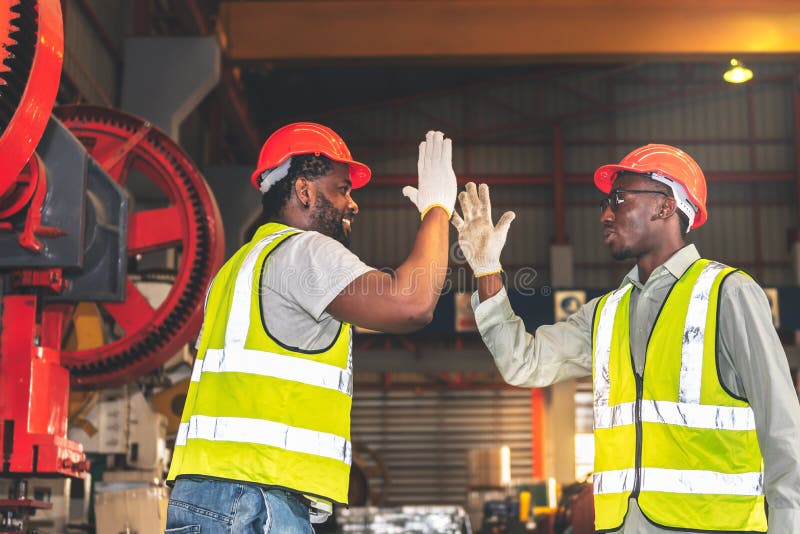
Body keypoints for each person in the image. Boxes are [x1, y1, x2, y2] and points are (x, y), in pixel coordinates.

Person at [452, 144, 800, 533]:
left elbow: (782, 425)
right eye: (606, 202)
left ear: (665, 206)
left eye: (619, 199)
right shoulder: (607, 313)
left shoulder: (728, 294)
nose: (605, 214)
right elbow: (522, 363)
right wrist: (486, 270)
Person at [166, 124, 457, 533]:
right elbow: (411, 304)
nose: (352, 205)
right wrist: (437, 211)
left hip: (203, 498)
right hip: (257, 498)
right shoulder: (303, 251)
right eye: (342, 189)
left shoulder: (235, 270)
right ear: (304, 191)